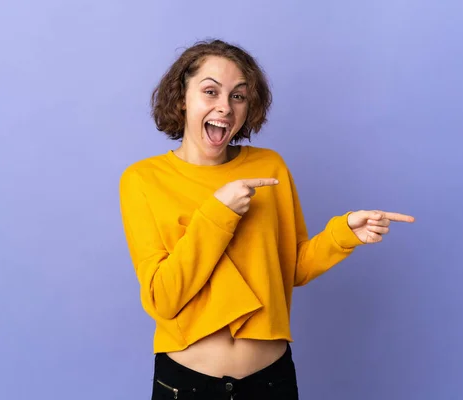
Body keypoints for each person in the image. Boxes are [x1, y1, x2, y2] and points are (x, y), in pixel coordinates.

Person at [119, 39, 415, 400]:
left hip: (271, 382)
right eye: (210, 92)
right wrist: (219, 212)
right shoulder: (143, 179)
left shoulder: (269, 166)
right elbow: (163, 299)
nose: (224, 107)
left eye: (238, 96)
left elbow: (290, 269)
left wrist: (343, 234)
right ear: (182, 98)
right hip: (187, 386)